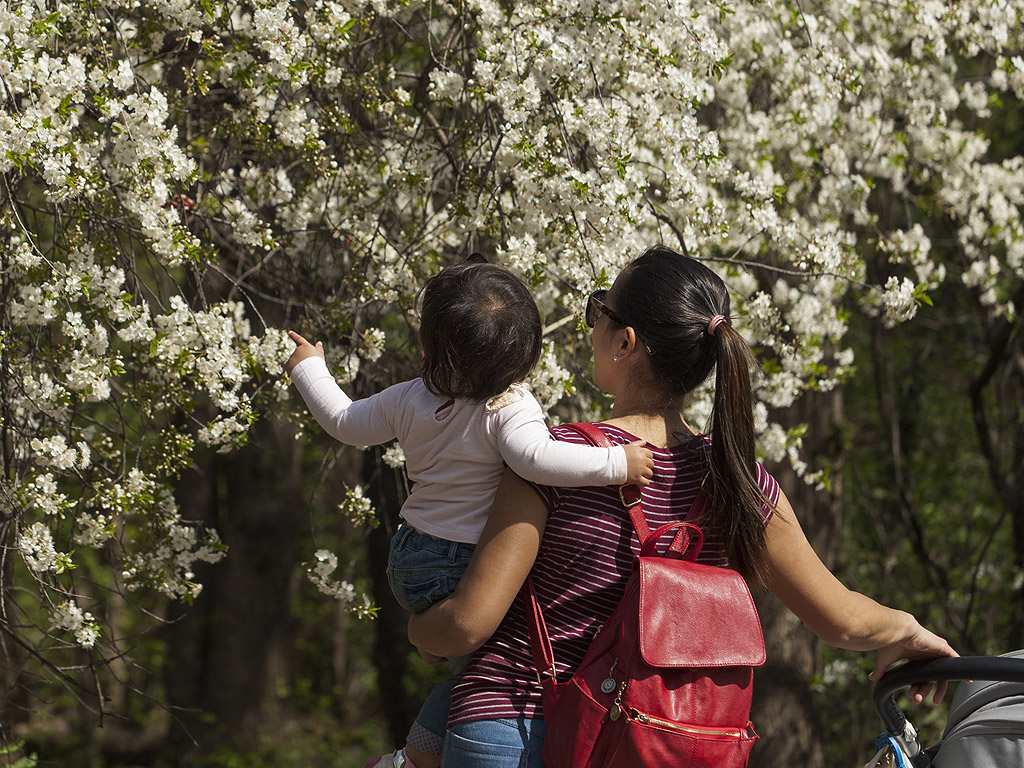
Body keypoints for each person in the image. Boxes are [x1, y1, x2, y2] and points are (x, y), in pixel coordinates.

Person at [407, 245, 958, 768]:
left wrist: (419, 631)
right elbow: (843, 620)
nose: (590, 323)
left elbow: (467, 626)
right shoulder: (741, 482)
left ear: (625, 343)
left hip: (520, 726)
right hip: (646, 742)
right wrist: (906, 630)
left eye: (599, 309)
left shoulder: (553, 461)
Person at [283, 259, 655, 768]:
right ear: (525, 353)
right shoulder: (509, 406)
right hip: (463, 565)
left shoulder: (410, 398)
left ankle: (412, 760)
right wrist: (617, 462)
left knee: (469, 674)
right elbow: (538, 459)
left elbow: (344, 420)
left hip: (411, 558)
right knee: (492, 658)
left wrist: (309, 368)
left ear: (429, 347)